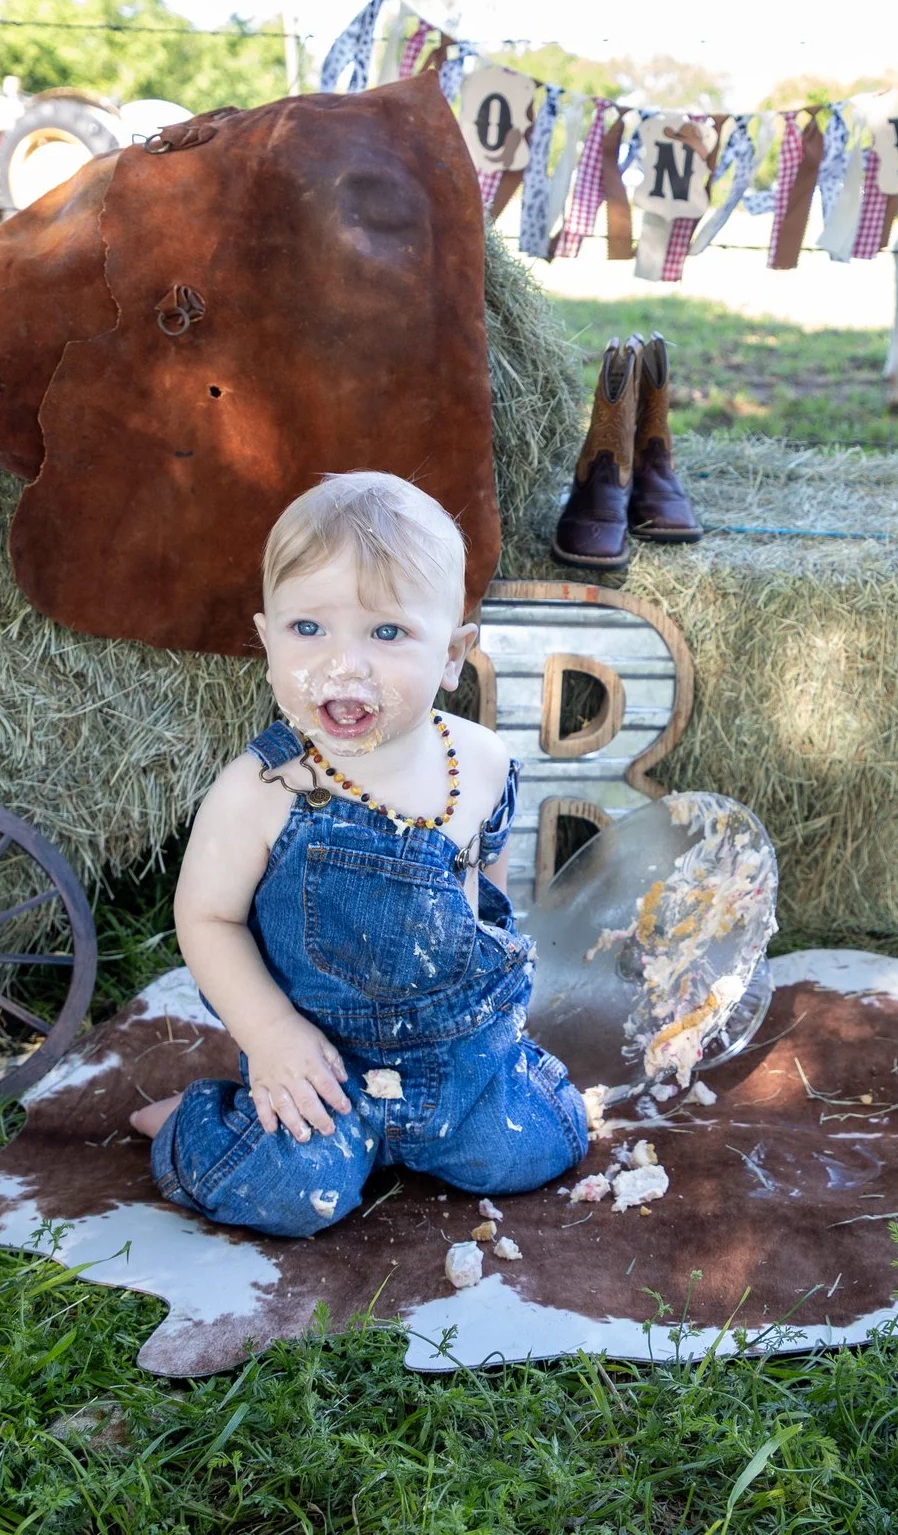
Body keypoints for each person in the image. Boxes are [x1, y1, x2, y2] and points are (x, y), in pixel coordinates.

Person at [131, 473, 589, 1236]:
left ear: (453, 653)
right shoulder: (263, 788)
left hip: (455, 1064)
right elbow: (205, 917)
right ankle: (195, 1123)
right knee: (288, 1189)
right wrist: (271, 1033)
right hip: (322, 1068)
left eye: (385, 633)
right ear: (266, 636)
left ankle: (462, 1120)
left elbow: (486, 901)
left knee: (544, 1142)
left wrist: (493, 1018)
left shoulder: (479, 764)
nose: (344, 664)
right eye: (308, 628)